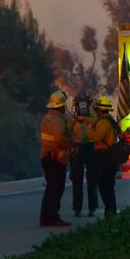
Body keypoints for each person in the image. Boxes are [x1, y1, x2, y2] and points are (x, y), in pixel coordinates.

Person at [39, 89, 72, 227]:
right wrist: (71, 143)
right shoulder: (58, 120)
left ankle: (45, 217)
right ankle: (53, 217)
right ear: (61, 106)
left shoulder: (47, 118)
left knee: (50, 188)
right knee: (56, 188)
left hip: (46, 156)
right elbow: (59, 139)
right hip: (55, 158)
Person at [69, 93, 98, 217]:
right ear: (76, 105)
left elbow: (98, 125)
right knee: (77, 180)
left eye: (84, 103)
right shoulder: (72, 119)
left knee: (92, 180)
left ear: (89, 104)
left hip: (91, 148)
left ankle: (92, 207)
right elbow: (67, 132)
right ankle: (77, 208)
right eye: (80, 103)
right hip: (78, 149)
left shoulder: (94, 117)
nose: (82, 105)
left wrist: (84, 120)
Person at [90, 95, 120, 217]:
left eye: (96, 109)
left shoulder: (103, 123)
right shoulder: (109, 120)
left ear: (99, 110)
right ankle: (110, 210)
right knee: (108, 185)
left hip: (104, 157)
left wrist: (88, 130)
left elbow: (97, 137)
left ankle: (110, 211)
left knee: (104, 186)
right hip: (109, 157)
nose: (95, 111)